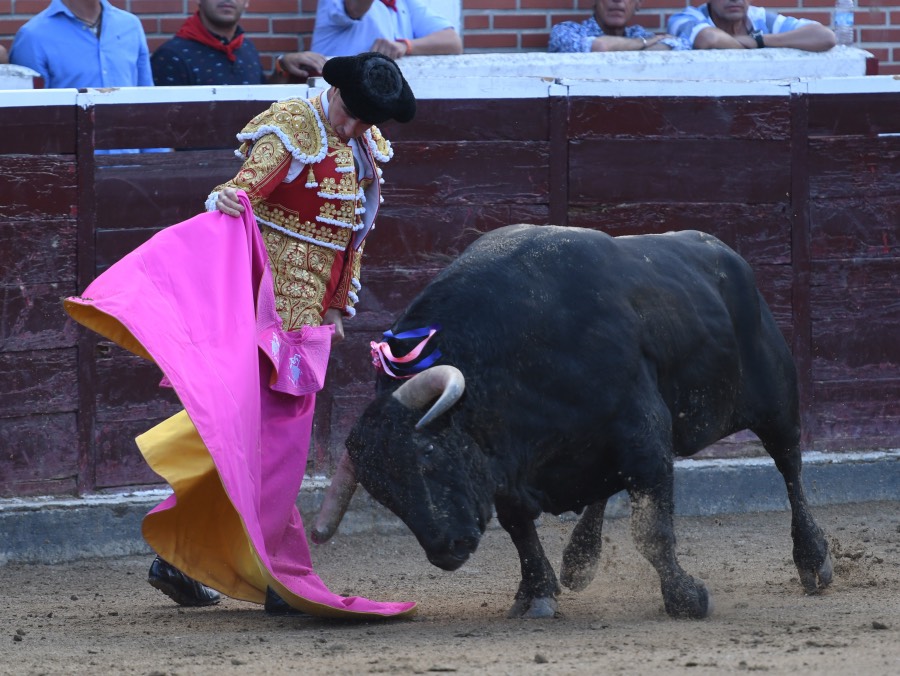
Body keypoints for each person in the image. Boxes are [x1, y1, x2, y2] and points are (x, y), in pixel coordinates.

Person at [64, 52, 418, 619]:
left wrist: (334, 305)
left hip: (305, 324)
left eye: (366, 120)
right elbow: (240, 192)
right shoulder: (294, 126)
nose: (353, 126)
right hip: (263, 316)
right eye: (350, 113)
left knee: (250, 438)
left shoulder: (364, 146)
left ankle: (188, 561)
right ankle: (273, 574)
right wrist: (226, 198)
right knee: (276, 444)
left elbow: (352, 235)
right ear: (334, 92)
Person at [152, 0, 327, 86]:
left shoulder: (246, 48)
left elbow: (260, 107)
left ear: (247, 2)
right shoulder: (170, 56)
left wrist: (282, 67)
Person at [9, 0, 152, 88]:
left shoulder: (130, 25)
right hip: (66, 130)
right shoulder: (33, 36)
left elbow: (147, 97)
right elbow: (31, 114)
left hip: (129, 129)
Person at [311, 0, 462, 59]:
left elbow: (453, 42)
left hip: (378, 101)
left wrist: (405, 46)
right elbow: (354, 8)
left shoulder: (405, 3)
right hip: (333, 101)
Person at [667, 0, 837, 51]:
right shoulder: (685, 18)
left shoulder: (758, 17)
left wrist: (758, 40)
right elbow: (709, 39)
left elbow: (825, 37)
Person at [550, 0, 690, 52]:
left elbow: (682, 45)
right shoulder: (566, 31)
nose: (617, 0)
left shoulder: (637, 34)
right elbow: (600, 46)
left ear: (638, 3)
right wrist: (643, 44)